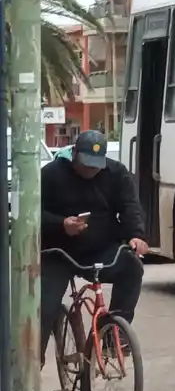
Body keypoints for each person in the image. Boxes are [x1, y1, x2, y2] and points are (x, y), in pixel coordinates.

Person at [40, 130, 148, 359]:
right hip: (58, 253)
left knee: (132, 267)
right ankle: (30, 369)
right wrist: (61, 224)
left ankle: (112, 335)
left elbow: (130, 207)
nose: (90, 170)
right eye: (86, 164)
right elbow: (31, 214)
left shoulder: (117, 173)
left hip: (98, 250)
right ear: (75, 155)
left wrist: (136, 235)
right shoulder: (51, 174)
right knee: (43, 308)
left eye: (95, 166)